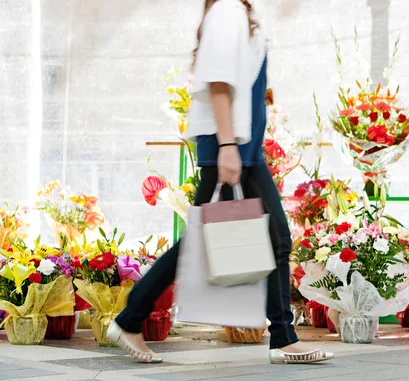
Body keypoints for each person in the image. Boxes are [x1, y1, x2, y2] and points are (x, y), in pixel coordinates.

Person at [107, 0, 334, 365]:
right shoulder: (227, 9)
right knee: (214, 241)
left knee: (268, 239)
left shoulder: (233, 11)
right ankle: (130, 319)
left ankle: (282, 337)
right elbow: (218, 81)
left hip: (244, 151)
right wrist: (228, 145)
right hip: (231, 149)